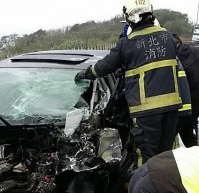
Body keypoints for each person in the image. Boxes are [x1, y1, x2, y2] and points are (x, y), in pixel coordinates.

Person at [75, 0, 181, 165]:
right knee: (165, 155)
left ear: (130, 18)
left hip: (146, 111)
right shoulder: (169, 38)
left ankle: (145, 190)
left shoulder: (128, 43)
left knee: (146, 157)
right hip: (171, 109)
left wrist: (85, 73)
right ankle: (165, 187)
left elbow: (104, 67)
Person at [173, 34, 199, 147]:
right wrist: (198, 80)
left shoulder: (174, 59)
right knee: (188, 134)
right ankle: (198, 155)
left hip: (182, 106)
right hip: (198, 103)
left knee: (172, 136)